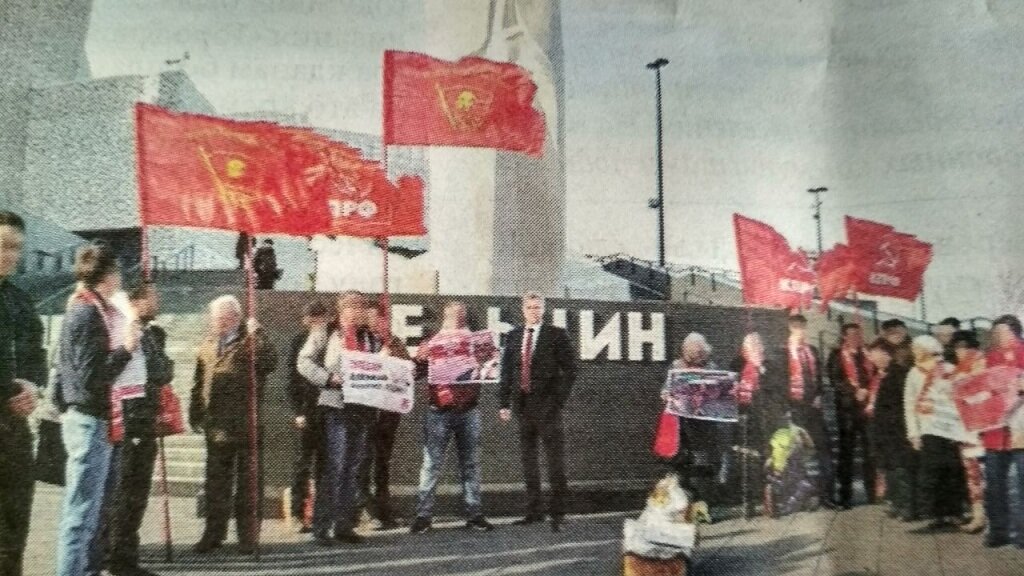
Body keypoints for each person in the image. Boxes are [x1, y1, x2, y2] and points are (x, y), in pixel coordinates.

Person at [55, 243, 139, 576]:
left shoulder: (89, 308)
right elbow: (92, 376)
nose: (120, 279)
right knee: (81, 517)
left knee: (93, 514)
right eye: (117, 272)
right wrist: (126, 350)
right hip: (90, 420)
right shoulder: (87, 312)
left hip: (95, 419)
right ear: (107, 275)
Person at [188, 295, 278, 555]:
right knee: (216, 485)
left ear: (233, 318)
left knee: (248, 486)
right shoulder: (207, 344)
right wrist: (195, 413)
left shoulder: (250, 342)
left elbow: (269, 362)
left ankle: (248, 538)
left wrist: (257, 331)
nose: (212, 322)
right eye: (212, 317)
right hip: (215, 427)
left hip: (245, 426)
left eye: (217, 318)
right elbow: (199, 383)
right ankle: (212, 534)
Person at [100, 282, 175, 576]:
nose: (157, 301)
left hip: (144, 419)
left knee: (133, 492)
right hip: (131, 420)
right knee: (128, 491)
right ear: (137, 301)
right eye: (153, 297)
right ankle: (117, 558)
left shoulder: (151, 333)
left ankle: (121, 555)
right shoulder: (126, 330)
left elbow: (164, 371)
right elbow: (160, 371)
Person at [297, 291, 380, 546]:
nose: (362, 312)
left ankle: (344, 525)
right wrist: (327, 379)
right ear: (345, 309)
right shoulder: (327, 331)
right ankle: (322, 526)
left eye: (364, 308)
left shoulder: (369, 337)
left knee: (353, 468)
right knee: (336, 466)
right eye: (358, 308)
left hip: (362, 408)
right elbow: (304, 361)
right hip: (336, 406)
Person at [410, 301, 496, 534]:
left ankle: (474, 514)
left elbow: (491, 369)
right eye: (451, 314)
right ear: (444, 317)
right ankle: (423, 516)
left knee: (471, 463)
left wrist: (489, 357)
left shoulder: (474, 341)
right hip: (438, 411)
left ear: (466, 317)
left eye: (461, 314)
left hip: (469, 409)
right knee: (431, 464)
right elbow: (414, 374)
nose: (456, 317)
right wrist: (419, 359)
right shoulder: (431, 343)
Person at [498, 292, 577, 533]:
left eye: (538, 307)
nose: (534, 311)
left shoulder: (556, 335)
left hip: (547, 406)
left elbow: (571, 370)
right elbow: (507, 372)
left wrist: (557, 401)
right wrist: (503, 403)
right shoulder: (513, 336)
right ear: (523, 310)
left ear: (544, 309)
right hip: (522, 405)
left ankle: (558, 513)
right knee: (528, 460)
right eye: (530, 307)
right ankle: (534, 511)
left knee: (555, 461)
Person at [0, 212, 46, 576]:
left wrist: (33, 387)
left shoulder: (19, 300)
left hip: (15, 435)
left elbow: (36, 355)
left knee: (15, 529)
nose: (11, 255)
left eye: (16, 248)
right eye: (4, 246)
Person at [904, 335, 965, 533]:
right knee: (931, 472)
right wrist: (913, 433)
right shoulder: (914, 373)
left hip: (949, 427)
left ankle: (954, 511)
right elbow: (910, 404)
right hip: (928, 429)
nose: (915, 352)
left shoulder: (948, 369)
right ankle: (935, 514)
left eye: (918, 348)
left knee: (952, 470)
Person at [661, 333, 728, 500]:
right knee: (682, 464)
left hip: (704, 426)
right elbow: (665, 390)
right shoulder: (676, 366)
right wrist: (667, 395)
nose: (695, 354)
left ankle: (702, 504)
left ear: (705, 351)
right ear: (685, 350)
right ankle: (684, 502)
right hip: (682, 426)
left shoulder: (712, 367)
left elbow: (721, 394)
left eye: (699, 351)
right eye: (692, 350)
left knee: (703, 464)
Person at [979, 314, 1024, 548]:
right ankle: (998, 531)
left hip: (1021, 429)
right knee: (994, 484)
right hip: (995, 431)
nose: (999, 336)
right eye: (996, 332)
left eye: (1004, 332)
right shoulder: (990, 358)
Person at [286, 301, 331, 533]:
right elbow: (291, 381)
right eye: (310, 320)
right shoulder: (298, 341)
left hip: (328, 412)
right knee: (301, 464)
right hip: (307, 412)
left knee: (325, 465)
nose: (314, 324)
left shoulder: (332, 339)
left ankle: (321, 515)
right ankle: (296, 512)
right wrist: (298, 412)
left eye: (319, 319)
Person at [730, 332, 787, 518]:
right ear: (745, 350)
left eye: (760, 346)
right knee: (748, 463)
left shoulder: (771, 367)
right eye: (753, 346)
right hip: (745, 422)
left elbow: (778, 393)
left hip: (767, 421)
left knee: (769, 461)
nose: (758, 349)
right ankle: (749, 503)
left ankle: (771, 500)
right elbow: (728, 390)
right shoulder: (736, 366)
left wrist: (760, 369)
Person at [783, 314, 836, 508]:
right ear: (790, 328)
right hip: (795, 407)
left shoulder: (812, 350)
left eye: (803, 327)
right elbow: (781, 381)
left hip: (814, 407)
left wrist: (820, 394)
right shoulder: (783, 352)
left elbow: (819, 377)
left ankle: (827, 495)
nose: (801, 331)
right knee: (795, 453)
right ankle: (799, 496)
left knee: (824, 450)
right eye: (796, 327)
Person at [361, 300, 404, 530]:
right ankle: (368, 510)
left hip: (388, 412)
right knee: (363, 461)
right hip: (366, 412)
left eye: (379, 318)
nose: (376, 323)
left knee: (382, 464)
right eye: (371, 319)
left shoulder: (395, 342)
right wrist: (379, 360)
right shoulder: (359, 342)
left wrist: (419, 362)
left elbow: (407, 372)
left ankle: (383, 511)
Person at [864, 338, 917, 522]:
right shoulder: (882, 375)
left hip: (896, 430)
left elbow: (902, 404)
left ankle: (907, 506)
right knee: (890, 468)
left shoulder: (899, 374)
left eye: (875, 354)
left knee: (900, 468)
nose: (871, 358)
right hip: (883, 430)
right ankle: (895, 503)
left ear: (886, 353)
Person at [827, 323, 876, 508]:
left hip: (868, 409)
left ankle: (872, 493)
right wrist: (853, 391)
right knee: (846, 454)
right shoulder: (836, 355)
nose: (856, 337)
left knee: (870, 451)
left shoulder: (866, 353)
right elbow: (835, 380)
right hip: (847, 411)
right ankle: (845, 495)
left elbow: (874, 375)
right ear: (844, 336)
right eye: (852, 334)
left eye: (858, 333)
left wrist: (868, 391)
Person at [948, 329, 986, 535]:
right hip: (965, 429)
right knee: (972, 475)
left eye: (964, 347)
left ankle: (988, 516)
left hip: (980, 427)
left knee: (983, 474)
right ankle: (978, 514)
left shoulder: (981, 366)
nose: (960, 352)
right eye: (958, 348)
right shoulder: (959, 369)